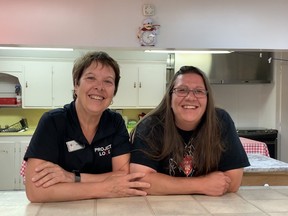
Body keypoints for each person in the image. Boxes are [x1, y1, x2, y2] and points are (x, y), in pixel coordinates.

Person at [24, 51, 150, 202]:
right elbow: (35, 191)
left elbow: (123, 177)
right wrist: (105, 188)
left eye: (108, 81)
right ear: (76, 85)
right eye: (91, 78)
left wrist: (71, 178)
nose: (99, 87)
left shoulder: (115, 122)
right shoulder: (53, 122)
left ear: (114, 91)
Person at [130, 65, 250, 196]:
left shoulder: (221, 121)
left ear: (208, 99)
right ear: (170, 98)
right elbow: (140, 181)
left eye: (199, 91)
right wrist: (202, 184)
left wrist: (164, 184)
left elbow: (233, 182)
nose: (190, 97)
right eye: (182, 90)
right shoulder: (150, 127)